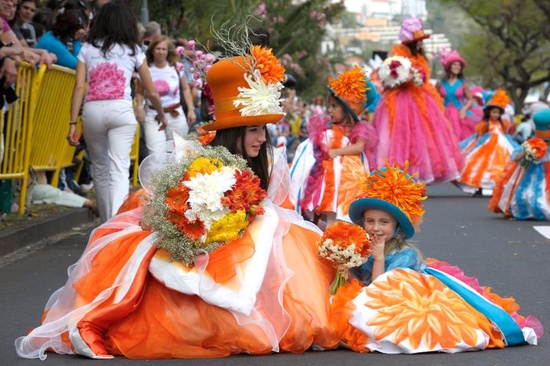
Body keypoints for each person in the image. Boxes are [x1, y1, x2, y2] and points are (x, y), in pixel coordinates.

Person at [16, 42, 340, 360]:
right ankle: (97, 321)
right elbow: (179, 211)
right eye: (253, 130)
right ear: (232, 133)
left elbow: (273, 206)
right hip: (201, 244)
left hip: (238, 244)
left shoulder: (261, 158)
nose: (261, 139)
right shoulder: (200, 161)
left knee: (276, 228)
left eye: (263, 130)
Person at [328, 161, 543, 353]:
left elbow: (379, 293)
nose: (376, 228)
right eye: (370, 221)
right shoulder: (361, 246)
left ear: (397, 227)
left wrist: (379, 259)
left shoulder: (405, 255)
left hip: (398, 296)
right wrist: (343, 265)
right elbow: (352, 284)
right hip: (372, 290)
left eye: (384, 222)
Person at [66, 2, 167, 222]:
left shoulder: (87, 48)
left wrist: (72, 122)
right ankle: (115, 226)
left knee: (100, 169)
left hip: (92, 111)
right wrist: (160, 114)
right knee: (119, 168)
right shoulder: (133, 50)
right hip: (120, 111)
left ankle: (106, 222)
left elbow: (79, 87)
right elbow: (151, 89)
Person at [371, 17, 464, 184]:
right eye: (418, 41)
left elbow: (423, 76)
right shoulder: (399, 57)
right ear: (412, 43)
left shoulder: (420, 59)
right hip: (399, 99)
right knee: (397, 135)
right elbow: (390, 76)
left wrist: (416, 75)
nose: (421, 44)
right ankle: (397, 172)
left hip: (420, 98)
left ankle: (416, 172)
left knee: (420, 136)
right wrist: (401, 77)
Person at [289, 66, 378, 226]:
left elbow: (358, 147)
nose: (329, 110)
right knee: (324, 197)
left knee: (343, 206)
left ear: (348, 110)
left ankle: (338, 230)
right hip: (330, 171)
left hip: (349, 174)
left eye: (334, 106)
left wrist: (336, 151)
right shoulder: (330, 128)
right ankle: (317, 224)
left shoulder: (359, 128)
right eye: (329, 105)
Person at [135, 35, 196, 156]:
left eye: (164, 49)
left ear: (168, 51)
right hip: (153, 115)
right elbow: (139, 92)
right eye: (158, 48)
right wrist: (139, 108)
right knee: (156, 154)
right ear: (152, 50)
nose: (161, 52)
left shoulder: (176, 68)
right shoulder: (145, 69)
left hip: (175, 114)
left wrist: (190, 109)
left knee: (180, 153)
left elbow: (185, 89)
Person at [489, 108, 550, 220]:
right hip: (534, 173)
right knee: (527, 195)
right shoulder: (531, 143)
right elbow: (516, 158)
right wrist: (527, 152)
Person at [455, 88, 519, 196]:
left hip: (502, 148)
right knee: (481, 167)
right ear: (489, 112)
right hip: (486, 147)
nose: (496, 115)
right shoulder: (485, 123)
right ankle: (479, 188)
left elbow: (505, 132)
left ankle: (496, 188)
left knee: (500, 167)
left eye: (498, 113)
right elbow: (479, 136)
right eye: (494, 112)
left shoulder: (503, 123)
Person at [436, 49, 482, 140]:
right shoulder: (440, 83)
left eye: (459, 65)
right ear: (449, 66)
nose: (457, 67)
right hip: (444, 115)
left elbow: (470, 99)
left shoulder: (463, 83)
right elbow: (434, 97)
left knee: (460, 141)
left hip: (459, 115)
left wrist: (464, 109)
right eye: (454, 64)